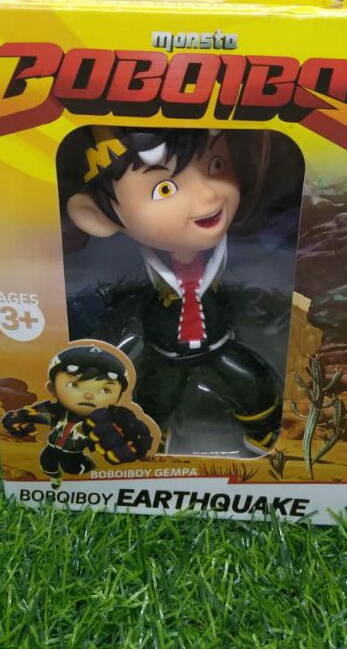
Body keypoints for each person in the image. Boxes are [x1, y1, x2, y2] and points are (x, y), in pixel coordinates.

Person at [58, 126, 282, 454]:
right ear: (96, 217)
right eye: (165, 189)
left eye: (217, 165)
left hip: (219, 344)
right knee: (153, 397)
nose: (208, 196)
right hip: (164, 353)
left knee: (252, 380)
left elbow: (261, 288)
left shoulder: (237, 257)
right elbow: (114, 302)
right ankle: (150, 433)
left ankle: (262, 429)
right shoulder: (130, 269)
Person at [2, 343, 153, 486]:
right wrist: (21, 417)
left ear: (119, 397)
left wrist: (129, 439)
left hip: (73, 450)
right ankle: (55, 479)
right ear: (52, 388)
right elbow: (35, 413)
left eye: (105, 390)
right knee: (46, 462)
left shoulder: (104, 420)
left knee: (72, 467)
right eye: (74, 385)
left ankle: (88, 469)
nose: (88, 395)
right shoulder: (57, 410)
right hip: (52, 445)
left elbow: (134, 432)